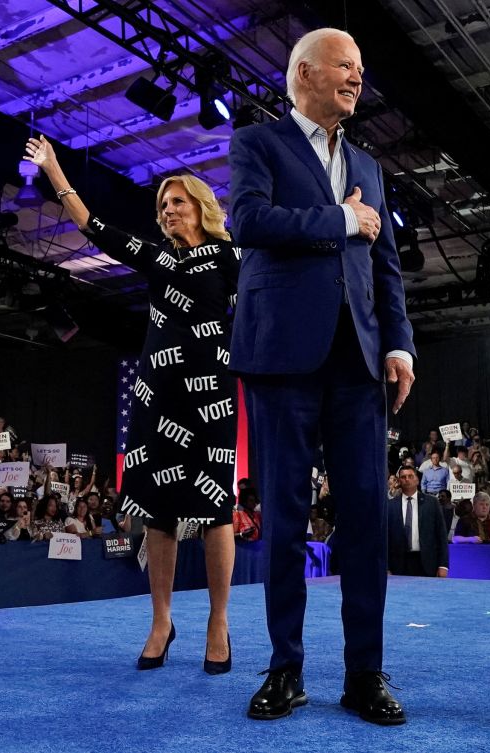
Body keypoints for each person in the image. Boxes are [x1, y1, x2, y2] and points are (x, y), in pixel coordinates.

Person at [228, 27, 415, 724]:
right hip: (282, 357)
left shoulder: (369, 164)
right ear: (304, 71)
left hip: (361, 363)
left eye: (361, 69)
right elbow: (246, 220)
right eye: (345, 65)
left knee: (366, 517)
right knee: (282, 519)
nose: (357, 78)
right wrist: (340, 218)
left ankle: (366, 672)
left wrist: (400, 346)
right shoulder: (258, 143)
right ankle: (286, 668)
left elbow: (387, 267)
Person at [26, 134, 239, 675]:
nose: (168, 210)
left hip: (211, 394)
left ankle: (219, 622)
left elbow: (268, 299)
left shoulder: (229, 255)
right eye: (163, 204)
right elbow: (92, 226)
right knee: (159, 512)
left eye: (178, 202)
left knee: (215, 512)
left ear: (201, 206)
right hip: (156, 395)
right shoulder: (156, 256)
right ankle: (161, 622)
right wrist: (55, 169)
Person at [386, 467, 448, 578]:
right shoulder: (390, 506)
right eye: (403, 477)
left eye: (410, 476)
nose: (407, 479)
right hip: (398, 564)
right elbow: (385, 539)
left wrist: (443, 565)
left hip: (427, 563)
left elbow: (441, 535)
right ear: (399, 481)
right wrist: (386, 567)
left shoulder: (432, 503)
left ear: (417, 480)